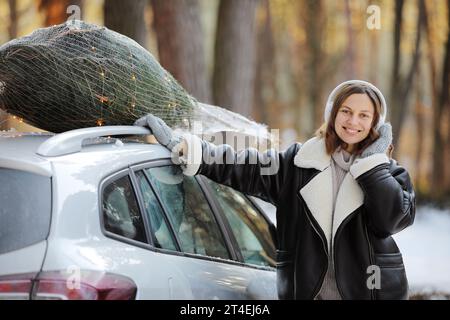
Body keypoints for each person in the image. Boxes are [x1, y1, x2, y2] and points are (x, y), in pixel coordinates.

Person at [134, 79, 416, 300]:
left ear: (375, 123)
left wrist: (372, 166)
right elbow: (244, 166)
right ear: (332, 114)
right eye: (346, 111)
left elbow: (390, 219)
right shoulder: (297, 163)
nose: (353, 122)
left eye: (364, 115)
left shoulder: (389, 173)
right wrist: (186, 147)